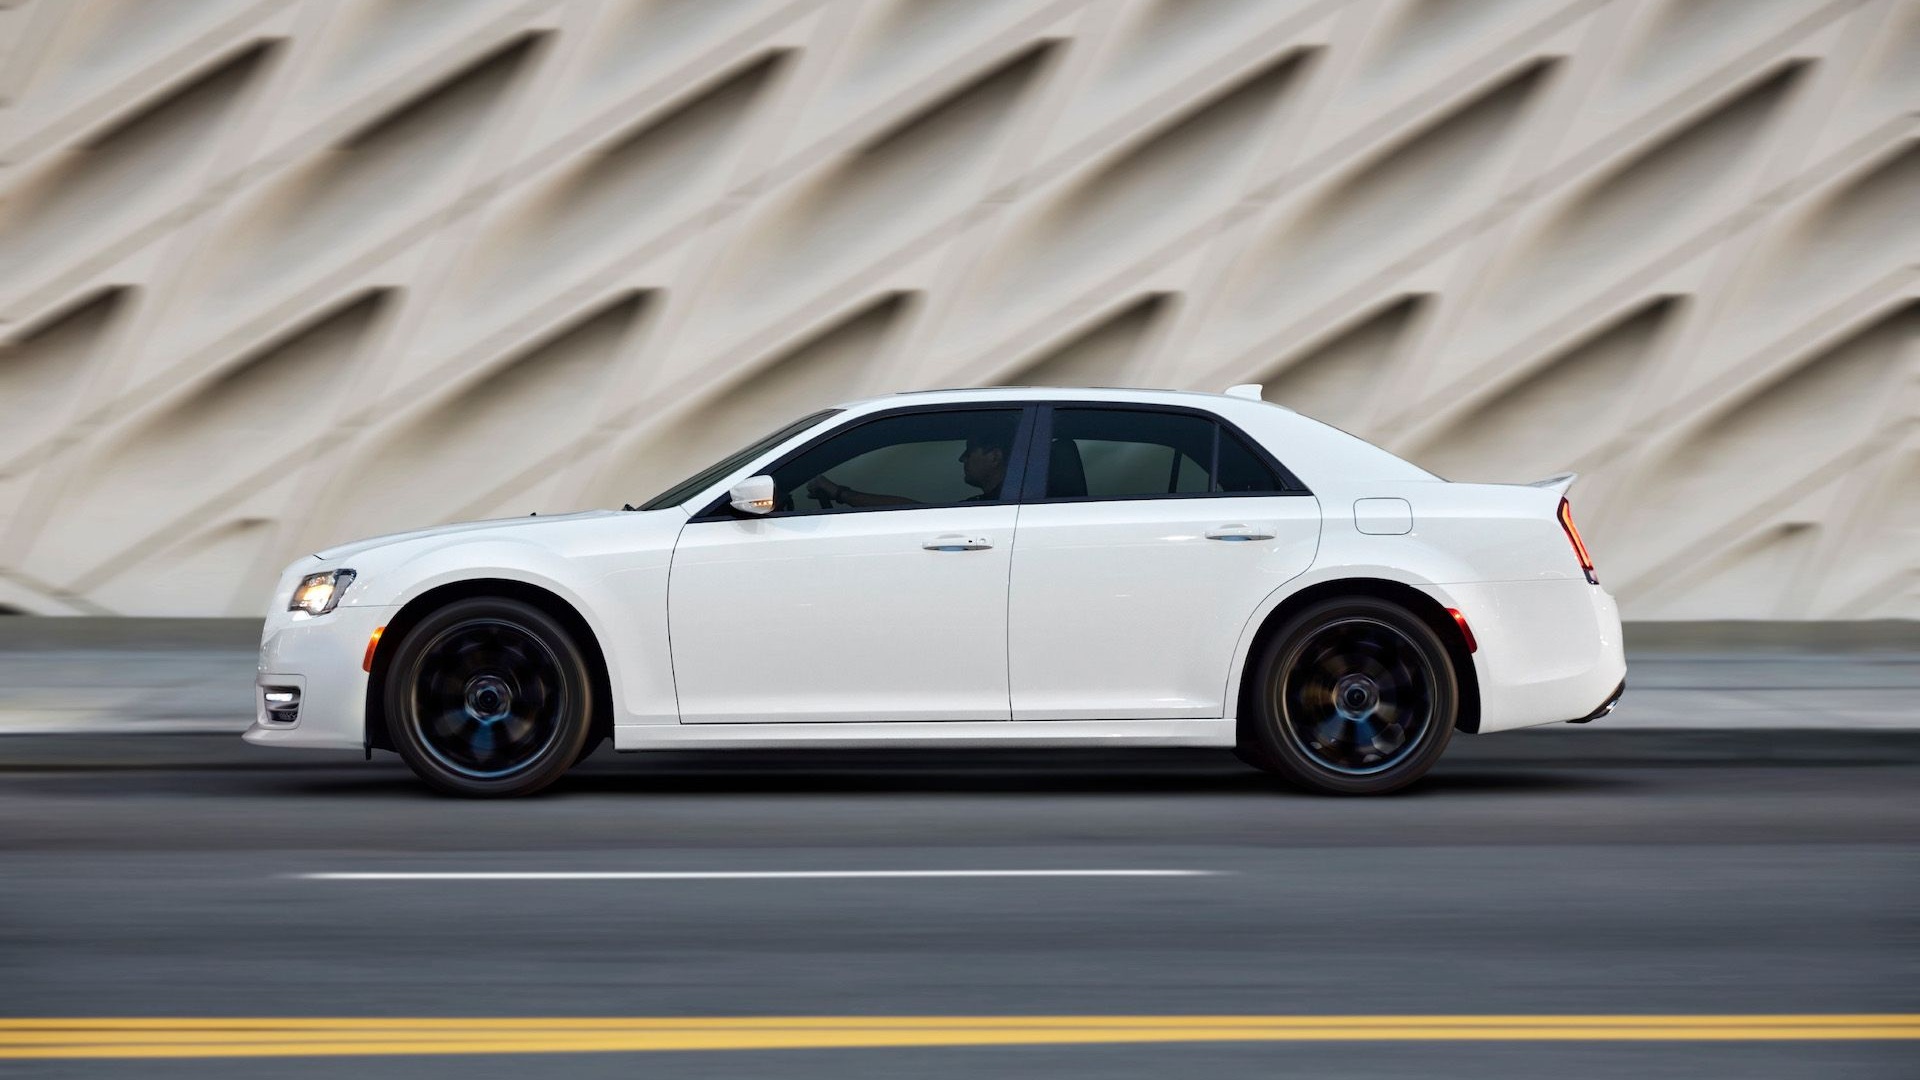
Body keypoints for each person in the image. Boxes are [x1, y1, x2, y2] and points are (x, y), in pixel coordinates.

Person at [807, 429, 1010, 508]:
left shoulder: (1004, 505)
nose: (961, 458)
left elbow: (919, 511)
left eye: (970, 451)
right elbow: (923, 511)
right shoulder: (996, 502)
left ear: (994, 457)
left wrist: (839, 493)